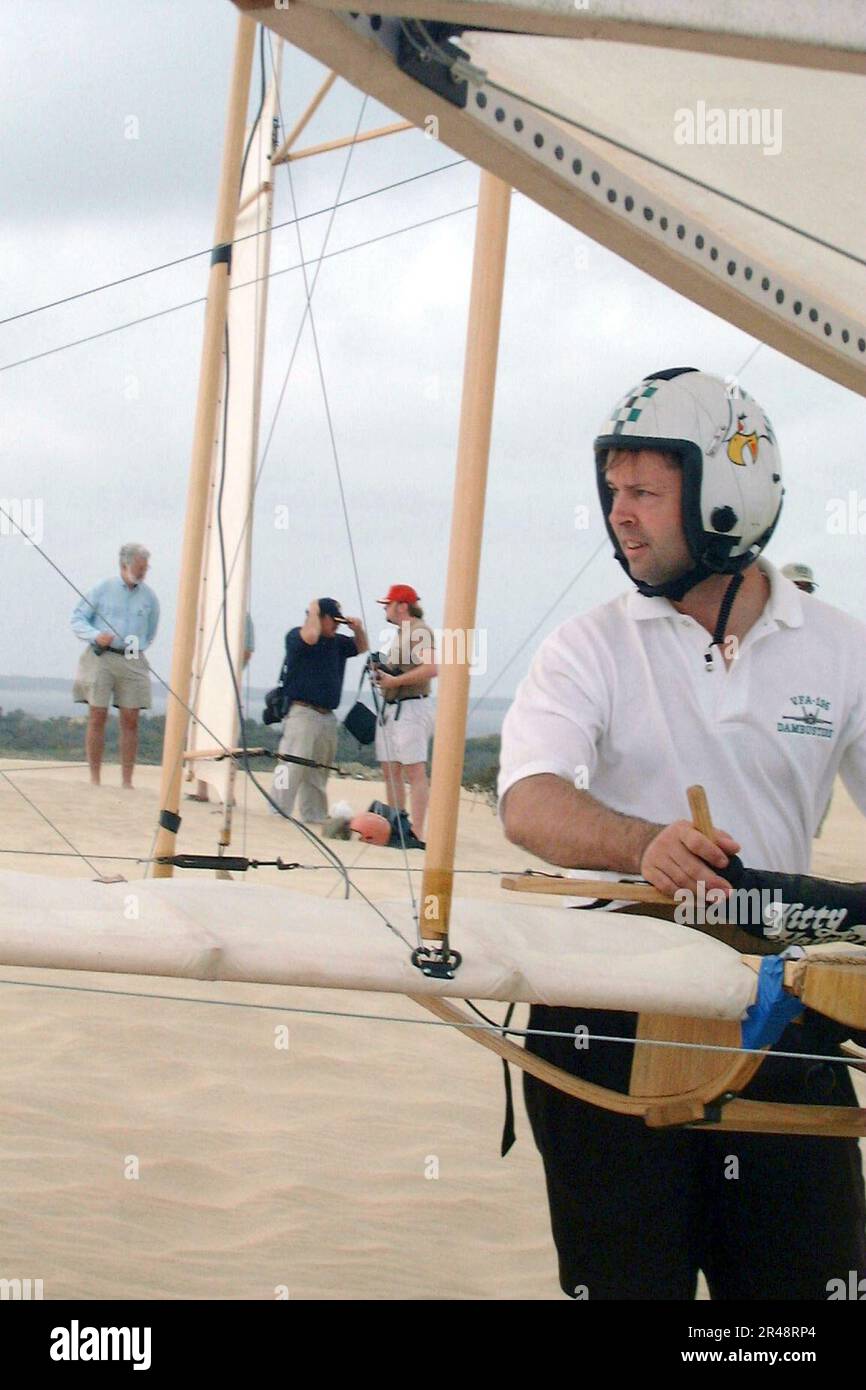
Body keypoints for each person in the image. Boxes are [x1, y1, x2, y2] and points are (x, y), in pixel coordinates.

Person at [498, 367, 866, 1301]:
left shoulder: (840, 647)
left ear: (726, 499)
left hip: (780, 997)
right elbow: (529, 799)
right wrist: (640, 845)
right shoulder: (589, 644)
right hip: (605, 1011)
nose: (620, 515)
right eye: (612, 492)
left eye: (645, 494)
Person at [271, 598, 367, 823]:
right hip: (302, 712)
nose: (336, 626)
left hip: (326, 715)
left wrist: (358, 629)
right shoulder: (297, 636)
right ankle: (277, 808)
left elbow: (361, 647)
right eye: (332, 620)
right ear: (319, 618)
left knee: (319, 770)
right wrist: (314, 609)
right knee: (290, 764)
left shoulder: (338, 643)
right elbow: (311, 636)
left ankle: (313, 814)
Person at [71, 543, 159, 788]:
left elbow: (151, 630)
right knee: (97, 714)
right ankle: (95, 778)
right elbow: (77, 618)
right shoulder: (102, 588)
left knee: (131, 718)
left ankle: (127, 781)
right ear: (125, 565)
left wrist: (137, 644)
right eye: (140, 568)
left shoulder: (149, 596)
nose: (143, 573)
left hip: (132, 657)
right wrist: (94, 634)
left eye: (145, 568)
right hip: (102, 656)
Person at [373, 584, 437, 844]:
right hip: (394, 708)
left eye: (388, 604)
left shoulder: (419, 631)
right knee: (390, 768)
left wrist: (395, 682)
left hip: (411, 706)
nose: (385, 609)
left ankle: (418, 832)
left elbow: (432, 667)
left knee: (414, 770)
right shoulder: (403, 633)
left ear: (402, 605)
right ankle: (398, 824)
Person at [190, 612, 255, 803]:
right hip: (204, 677)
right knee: (201, 730)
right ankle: (202, 787)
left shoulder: (241, 612)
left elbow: (247, 650)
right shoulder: (205, 605)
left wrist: (228, 671)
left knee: (227, 736)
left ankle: (227, 791)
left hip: (228, 681)